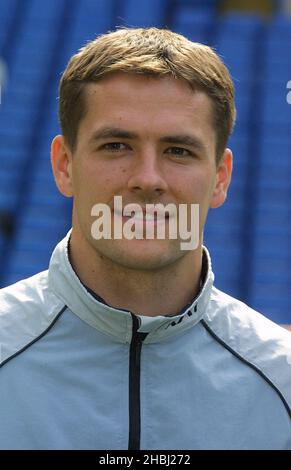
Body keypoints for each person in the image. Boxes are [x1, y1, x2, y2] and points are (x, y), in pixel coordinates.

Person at [0, 27, 290, 451]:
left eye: (178, 151)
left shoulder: (281, 379)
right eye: (116, 145)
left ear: (220, 178)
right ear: (64, 165)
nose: (147, 179)